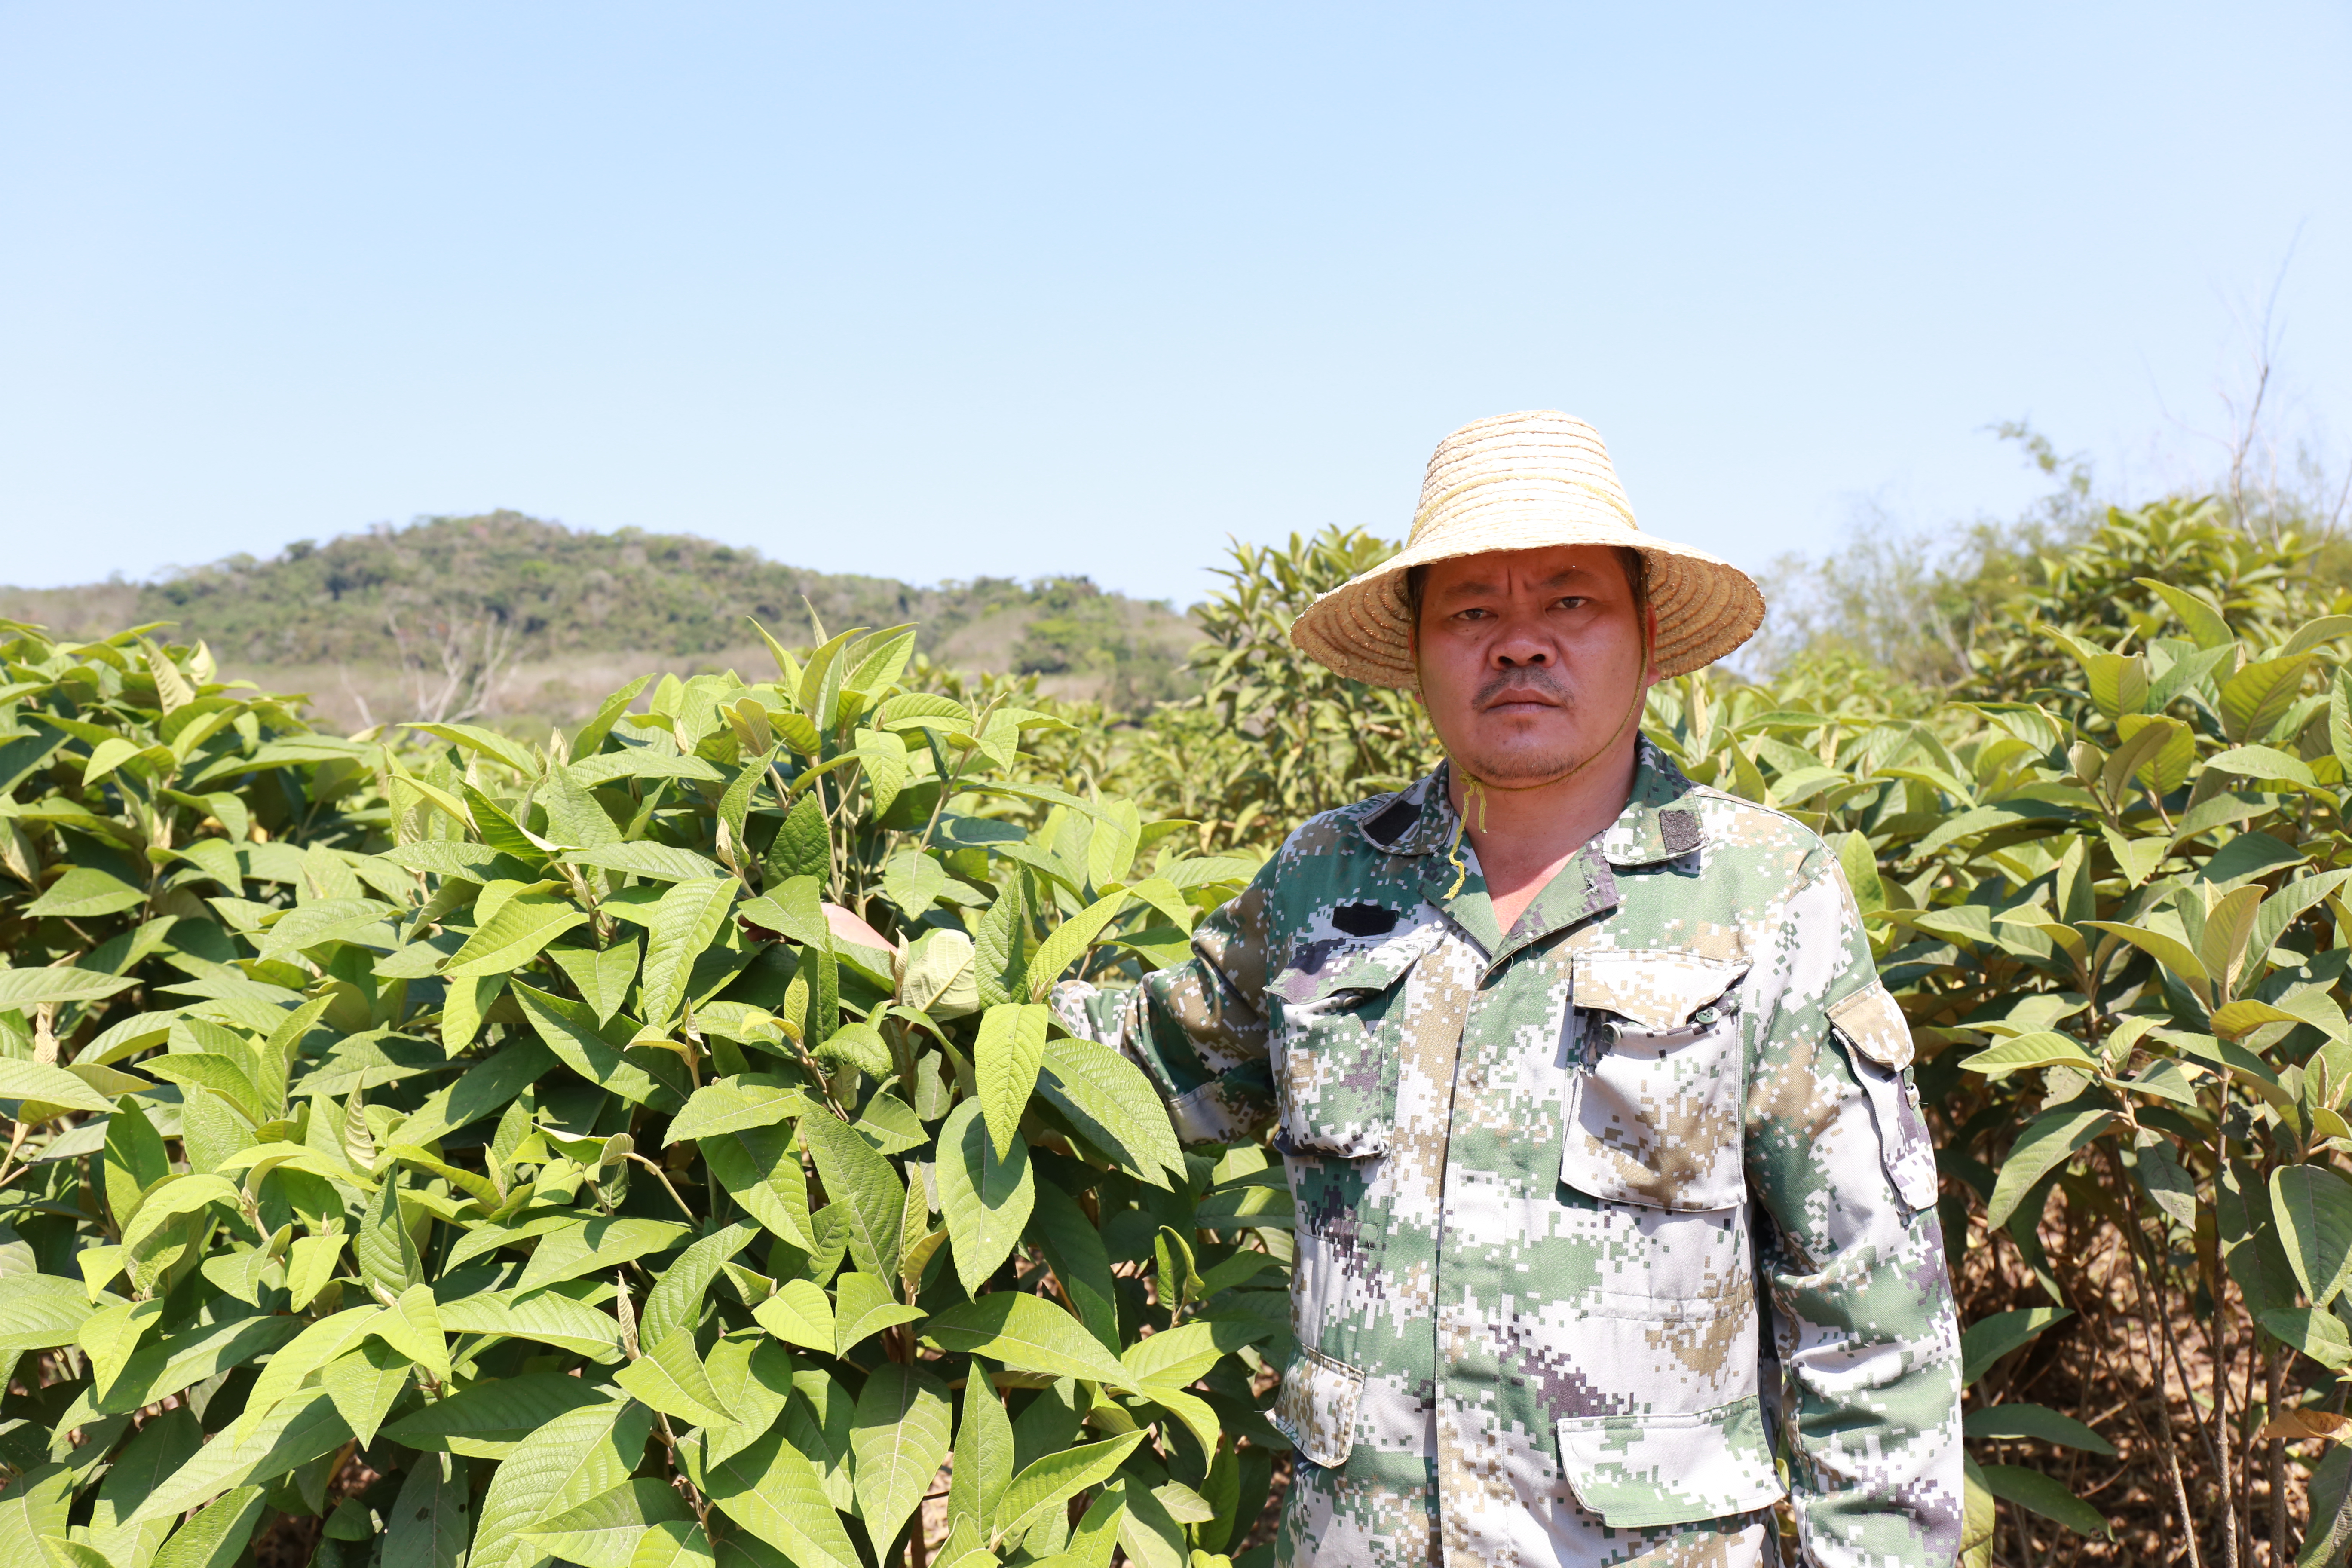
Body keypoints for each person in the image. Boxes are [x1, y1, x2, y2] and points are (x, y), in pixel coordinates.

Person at [1053, 410, 1962, 1567]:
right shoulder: (1322, 882)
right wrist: (902, 982)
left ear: (1642, 634)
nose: (1520, 643)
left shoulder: (1763, 891)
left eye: (1569, 602)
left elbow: (1868, 1311)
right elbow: (1137, 1066)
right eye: (1473, 610)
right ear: (1422, 651)